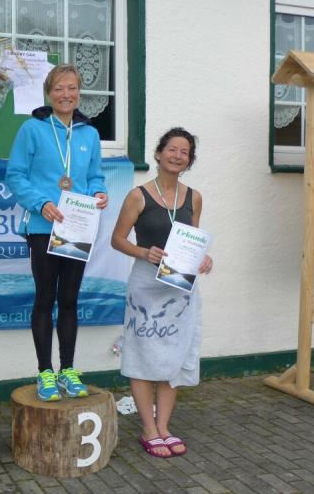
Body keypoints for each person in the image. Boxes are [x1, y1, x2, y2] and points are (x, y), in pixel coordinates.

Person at [5, 64, 108, 402]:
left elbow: (95, 176)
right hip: (43, 226)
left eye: (72, 88)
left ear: (79, 92)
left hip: (77, 227)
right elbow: (15, 175)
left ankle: (68, 370)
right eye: (59, 88)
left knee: (69, 300)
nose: (66, 94)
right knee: (45, 298)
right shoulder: (32, 129)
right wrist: (41, 203)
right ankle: (45, 372)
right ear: (49, 94)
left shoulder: (89, 134)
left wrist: (99, 192)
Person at [110, 127, 212, 457]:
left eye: (184, 152)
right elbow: (117, 239)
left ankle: (164, 427)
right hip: (145, 286)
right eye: (172, 149)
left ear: (189, 161)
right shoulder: (138, 195)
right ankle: (148, 429)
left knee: (174, 355)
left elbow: (192, 241)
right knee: (142, 354)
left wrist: (204, 258)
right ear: (158, 153)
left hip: (180, 288)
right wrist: (144, 252)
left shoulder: (194, 197)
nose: (177, 156)